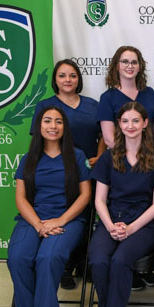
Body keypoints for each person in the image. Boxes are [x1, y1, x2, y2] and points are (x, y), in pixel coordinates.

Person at [76, 102, 154, 307]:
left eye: (135, 121)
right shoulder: (109, 156)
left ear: (145, 123)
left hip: (144, 225)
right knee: (98, 260)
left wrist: (131, 228)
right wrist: (110, 225)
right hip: (110, 221)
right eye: (125, 121)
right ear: (119, 125)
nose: (130, 126)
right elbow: (100, 200)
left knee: (120, 261)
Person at [8, 106, 91, 307]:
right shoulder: (28, 159)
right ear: (39, 126)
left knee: (48, 257)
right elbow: (21, 198)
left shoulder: (77, 156)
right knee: (18, 258)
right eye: (47, 121)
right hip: (32, 220)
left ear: (64, 127)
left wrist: (60, 220)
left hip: (68, 219)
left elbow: (85, 195)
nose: (52, 125)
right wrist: (39, 225)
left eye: (58, 121)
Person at [31, 58, 105, 290]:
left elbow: (104, 135)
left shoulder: (93, 105)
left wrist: (100, 157)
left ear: (79, 79)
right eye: (62, 75)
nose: (68, 80)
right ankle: (65, 265)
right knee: (67, 215)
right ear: (55, 80)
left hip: (89, 170)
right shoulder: (45, 106)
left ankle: (85, 262)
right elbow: (37, 141)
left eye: (72, 75)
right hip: (59, 173)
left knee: (88, 216)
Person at [98, 45, 154, 289]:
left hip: (148, 163)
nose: (129, 66)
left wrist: (153, 158)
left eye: (134, 61)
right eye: (124, 61)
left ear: (140, 66)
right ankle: (129, 272)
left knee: (145, 212)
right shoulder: (109, 98)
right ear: (117, 65)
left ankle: (141, 268)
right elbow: (108, 138)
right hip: (121, 163)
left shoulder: (149, 94)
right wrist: (129, 157)